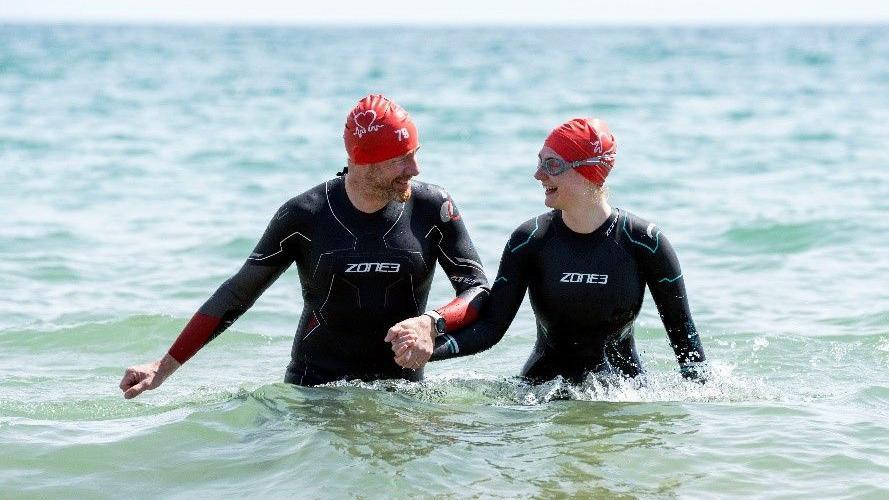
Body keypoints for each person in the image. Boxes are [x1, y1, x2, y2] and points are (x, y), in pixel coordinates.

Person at [120, 94, 489, 398]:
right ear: (364, 162)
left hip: (401, 393)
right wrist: (163, 366)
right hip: (314, 393)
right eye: (401, 159)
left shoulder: (432, 208)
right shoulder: (306, 215)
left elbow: (477, 290)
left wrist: (432, 324)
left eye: (415, 152)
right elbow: (236, 295)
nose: (416, 168)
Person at [390, 117, 706, 383]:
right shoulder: (531, 240)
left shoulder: (644, 242)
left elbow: (685, 339)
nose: (538, 175)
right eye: (540, 162)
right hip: (540, 395)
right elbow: (491, 328)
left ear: (589, 172)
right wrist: (429, 347)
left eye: (552, 165)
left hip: (623, 399)